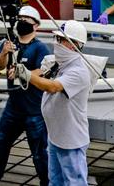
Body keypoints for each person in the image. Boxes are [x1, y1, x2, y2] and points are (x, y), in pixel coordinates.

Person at [0, 5, 49, 186]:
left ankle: (47, 182)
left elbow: (44, 71)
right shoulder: (9, 43)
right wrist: (4, 52)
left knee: (39, 152)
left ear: (36, 25)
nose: (21, 22)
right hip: (13, 107)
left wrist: (22, 73)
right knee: (1, 144)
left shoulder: (40, 48)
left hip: (34, 109)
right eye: (20, 19)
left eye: (26, 20)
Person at [28, 19, 94, 186]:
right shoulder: (62, 64)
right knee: (55, 181)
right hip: (56, 135)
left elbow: (52, 87)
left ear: (74, 45)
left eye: (61, 39)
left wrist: (27, 76)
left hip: (71, 140)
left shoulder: (78, 71)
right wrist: (22, 72)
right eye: (57, 39)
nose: (56, 43)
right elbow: (42, 74)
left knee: (75, 182)